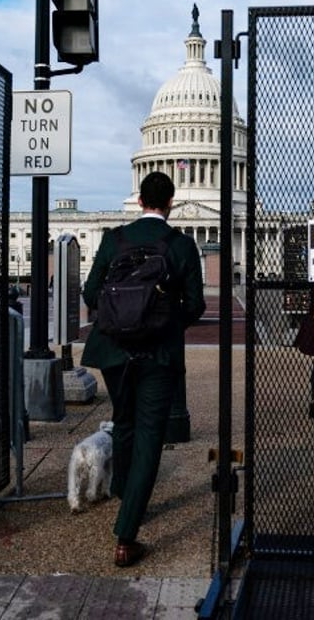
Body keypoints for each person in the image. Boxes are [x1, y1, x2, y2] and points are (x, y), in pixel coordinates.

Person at [80, 171, 205, 568]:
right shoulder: (182, 245)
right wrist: (164, 325)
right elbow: (197, 305)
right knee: (150, 434)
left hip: (114, 352)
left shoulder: (114, 239)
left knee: (124, 421)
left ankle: (123, 493)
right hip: (158, 355)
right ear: (171, 202)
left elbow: (89, 292)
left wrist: (122, 319)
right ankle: (126, 533)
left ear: (138, 201)